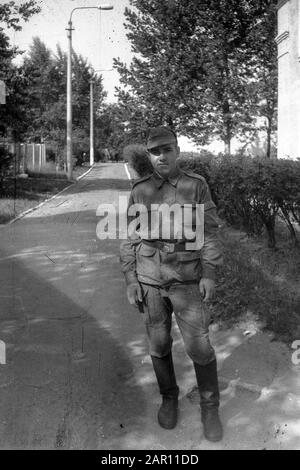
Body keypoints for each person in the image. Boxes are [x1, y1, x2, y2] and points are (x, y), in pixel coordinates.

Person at [120, 126, 223, 442]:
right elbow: (130, 236)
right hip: (150, 280)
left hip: (187, 279)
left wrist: (209, 274)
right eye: (155, 151)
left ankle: (210, 407)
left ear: (177, 150)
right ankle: (169, 397)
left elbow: (210, 233)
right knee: (159, 343)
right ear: (149, 156)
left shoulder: (196, 187)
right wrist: (130, 278)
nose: (162, 156)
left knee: (200, 347)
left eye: (167, 149)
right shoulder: (139, 190)